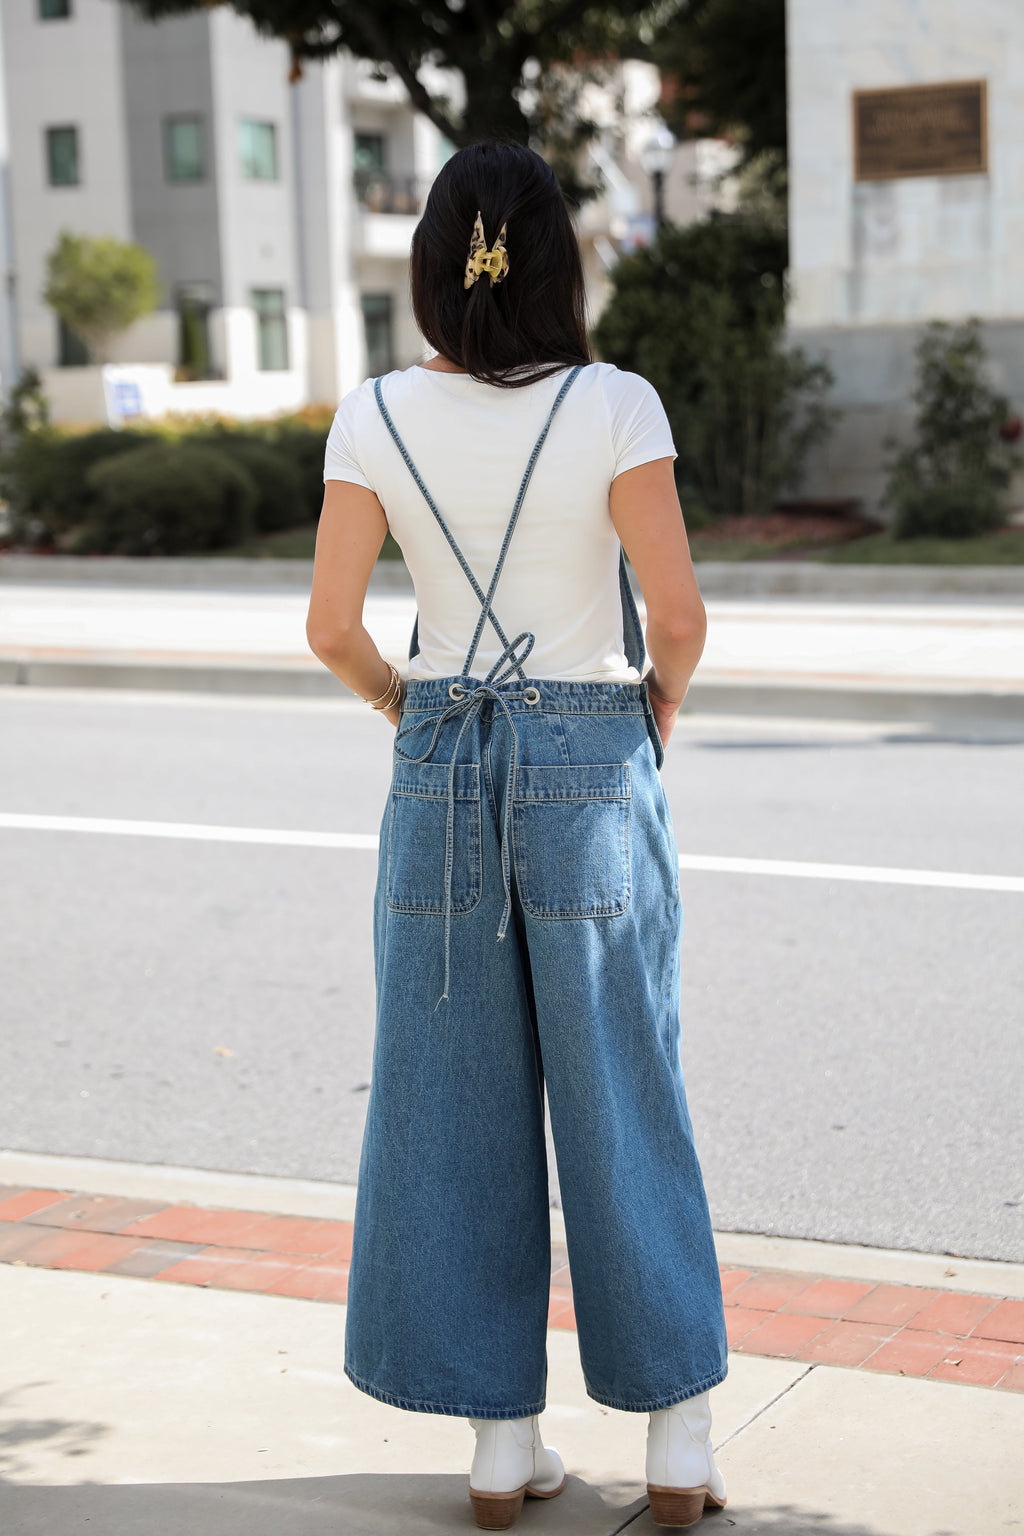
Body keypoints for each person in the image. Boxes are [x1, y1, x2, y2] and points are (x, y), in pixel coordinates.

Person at [306, 139, 728, 1531]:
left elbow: (330, 630)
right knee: (625, 1088)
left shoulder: (371, 413)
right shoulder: (617, 404)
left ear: (438, 265)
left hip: (438, 749)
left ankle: (499, 1451)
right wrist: (651, 710)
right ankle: (676, 1446)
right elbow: (675, 617)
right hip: (589, 756)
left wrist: (406, 714)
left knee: (452, 1092)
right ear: (559, 263)